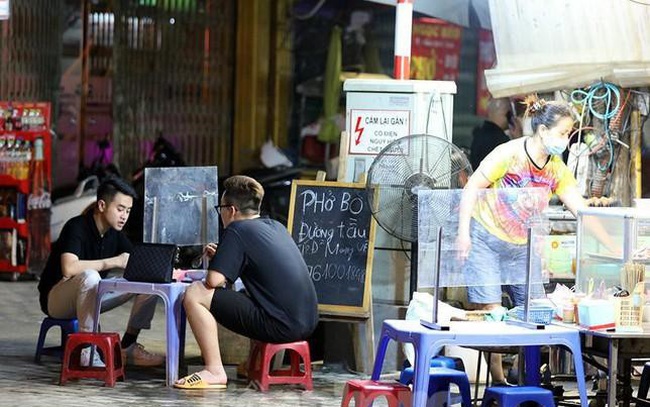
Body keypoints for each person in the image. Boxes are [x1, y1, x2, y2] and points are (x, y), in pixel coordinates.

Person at [456, 94, 612, 385]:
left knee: (537, 313)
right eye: (563, 133)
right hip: (486, 239)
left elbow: (582, 212)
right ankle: (500, 384)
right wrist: (463, 233)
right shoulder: (508, 153)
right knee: (494, 315)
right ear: (542, 130)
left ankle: (526, 381)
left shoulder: (556, 169)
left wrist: (613, 244)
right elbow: (472, 187)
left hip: (521, 247)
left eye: (569, 134)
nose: (566, 140)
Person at [174, 175, 318, 390]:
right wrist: (224, 259)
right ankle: (255, 362)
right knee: (247, 296)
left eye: (220, 208)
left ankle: (214, 370)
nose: (220, 213)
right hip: (309, 322)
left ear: (231, 210)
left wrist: (220, 263)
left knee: (195, 293)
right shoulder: (275, 226)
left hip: (280, 325)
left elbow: (213, 281)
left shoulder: (237, 230)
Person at [37, 175, 164, 367]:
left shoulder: (114, 234)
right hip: (57, 299)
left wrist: (169, 269)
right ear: (102, 205)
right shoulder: (76, 226)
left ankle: (128, 344)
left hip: (91, 297)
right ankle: (87, 350)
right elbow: (69, 267)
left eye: (128, 211)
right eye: (120, 209)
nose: (124, 216)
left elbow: (138, 261)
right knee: (89, 276)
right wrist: (113, 262)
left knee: (152, 283)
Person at [470, 97, 516, 170]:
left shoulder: (479, 134)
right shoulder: (500, 140)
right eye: (510, 114)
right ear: (504, 113)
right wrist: (518, 138)